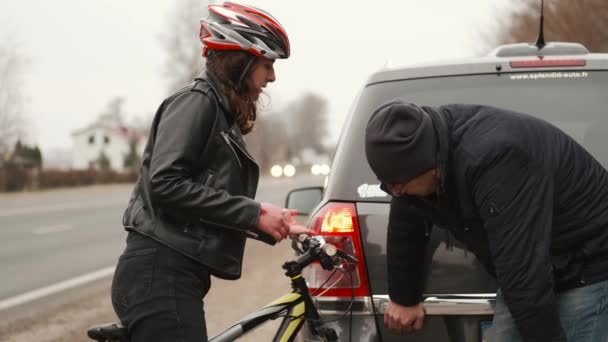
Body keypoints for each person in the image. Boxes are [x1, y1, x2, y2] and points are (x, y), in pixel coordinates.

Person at [110, 3, 311, 341]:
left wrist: (268, 220)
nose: (272, 77)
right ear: (241, 60)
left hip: (173, 275)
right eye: (267, 64)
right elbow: (165, 183)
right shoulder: (197, 103)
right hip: (159, 274)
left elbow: (203, 196)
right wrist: (253, 213)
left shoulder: (218, 112)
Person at [364, 99, 608, 342]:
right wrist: (404, 298)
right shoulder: (419, 155)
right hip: (531, 274)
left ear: (433, 168)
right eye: (389, 185)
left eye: (400, 185)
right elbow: (407, 220)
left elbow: (522, 270)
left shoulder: (498, 157)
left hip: (590, 263)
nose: (396, 192)